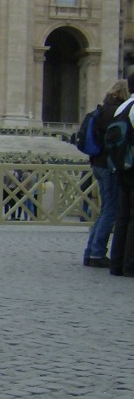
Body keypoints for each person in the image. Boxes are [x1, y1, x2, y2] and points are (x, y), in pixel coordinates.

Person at [83, 79, 130, 267]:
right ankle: (96, 253)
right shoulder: (117, 112)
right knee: (110, 210)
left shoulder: (101, 109)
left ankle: (90, 251)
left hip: (96, 163)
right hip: (108, 165)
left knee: (105, 210)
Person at [109, 81, 134, 278]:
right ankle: (130, 265)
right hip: (132, 165)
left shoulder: (122, 107)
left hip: (120, 166)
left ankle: (117, 263)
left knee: (123, 216)